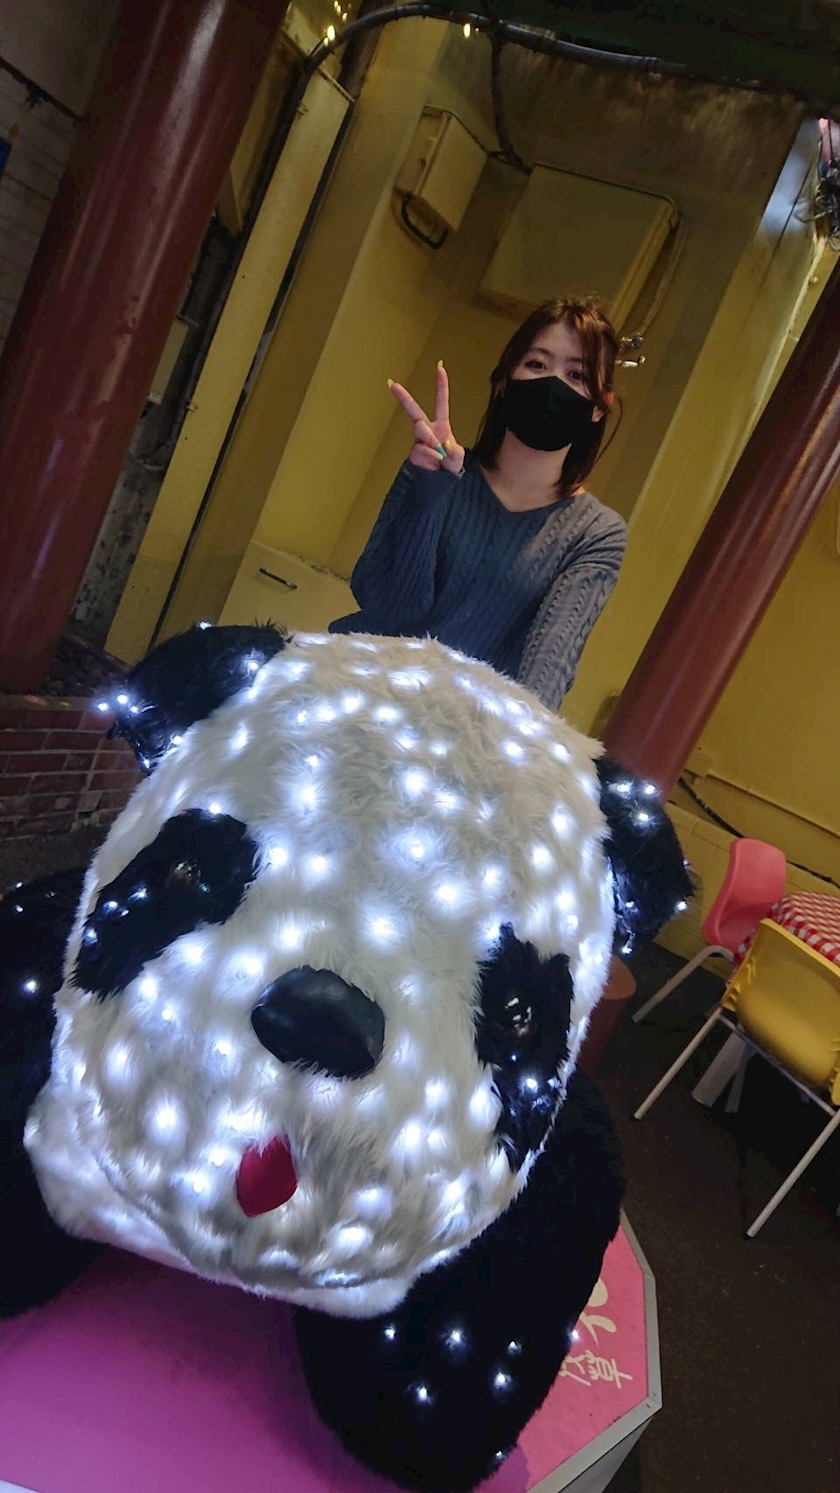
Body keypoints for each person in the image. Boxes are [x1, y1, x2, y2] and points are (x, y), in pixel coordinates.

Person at [329, 297, 626, 713]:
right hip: (354, 694)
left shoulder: (596, 534)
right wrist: (429, 492)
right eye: (537, 364)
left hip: (462, 734)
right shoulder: (436, 469)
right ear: (505, 380)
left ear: (599, 407)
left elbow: (545, 674)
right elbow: (385, 606)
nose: (553, 383)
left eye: (576, 375)